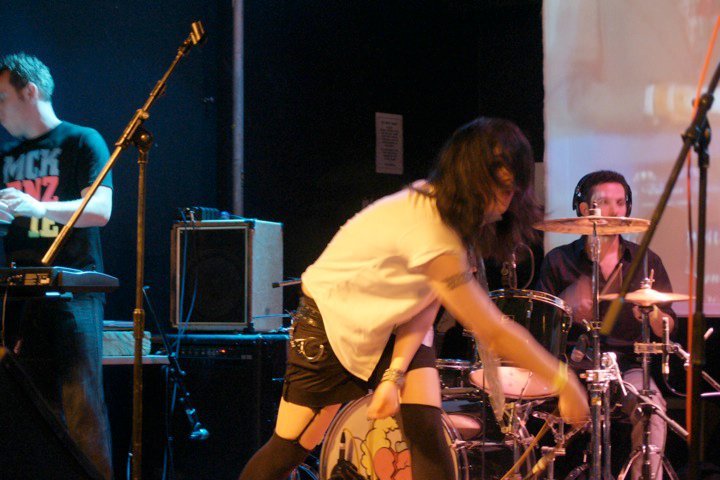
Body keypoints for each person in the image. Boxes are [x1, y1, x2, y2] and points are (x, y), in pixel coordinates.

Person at [238, 117, 589, 480]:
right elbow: (492, 329)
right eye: (502, 187)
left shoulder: (448, 216)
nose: (507, 201)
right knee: (290, 449)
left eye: (512, 189)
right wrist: (563, 380)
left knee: (427, 436)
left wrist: (393, 375)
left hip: (388, 325)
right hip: (331, 324)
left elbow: (423, 302)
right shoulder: (431, 227)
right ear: (472, 178)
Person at [0, 53, 114, 479]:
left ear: (29, 92)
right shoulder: (6, 154)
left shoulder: (82, 141)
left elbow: (100, 210)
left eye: (2, 98)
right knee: (27, 411)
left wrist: (38, 208)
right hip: (18, 294)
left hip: (73, 291)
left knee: (82, 410)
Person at [535, 170, 677, 480]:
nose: (614, 211)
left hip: (627, 368)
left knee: (651, 408)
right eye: (604, 203)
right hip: (571, 367)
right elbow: (539, 330)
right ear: (584, 209)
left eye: (620, 203)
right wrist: (566, 306)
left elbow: (666, 326)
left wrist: (652, 313)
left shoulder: (645, 261)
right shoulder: (558, 261)